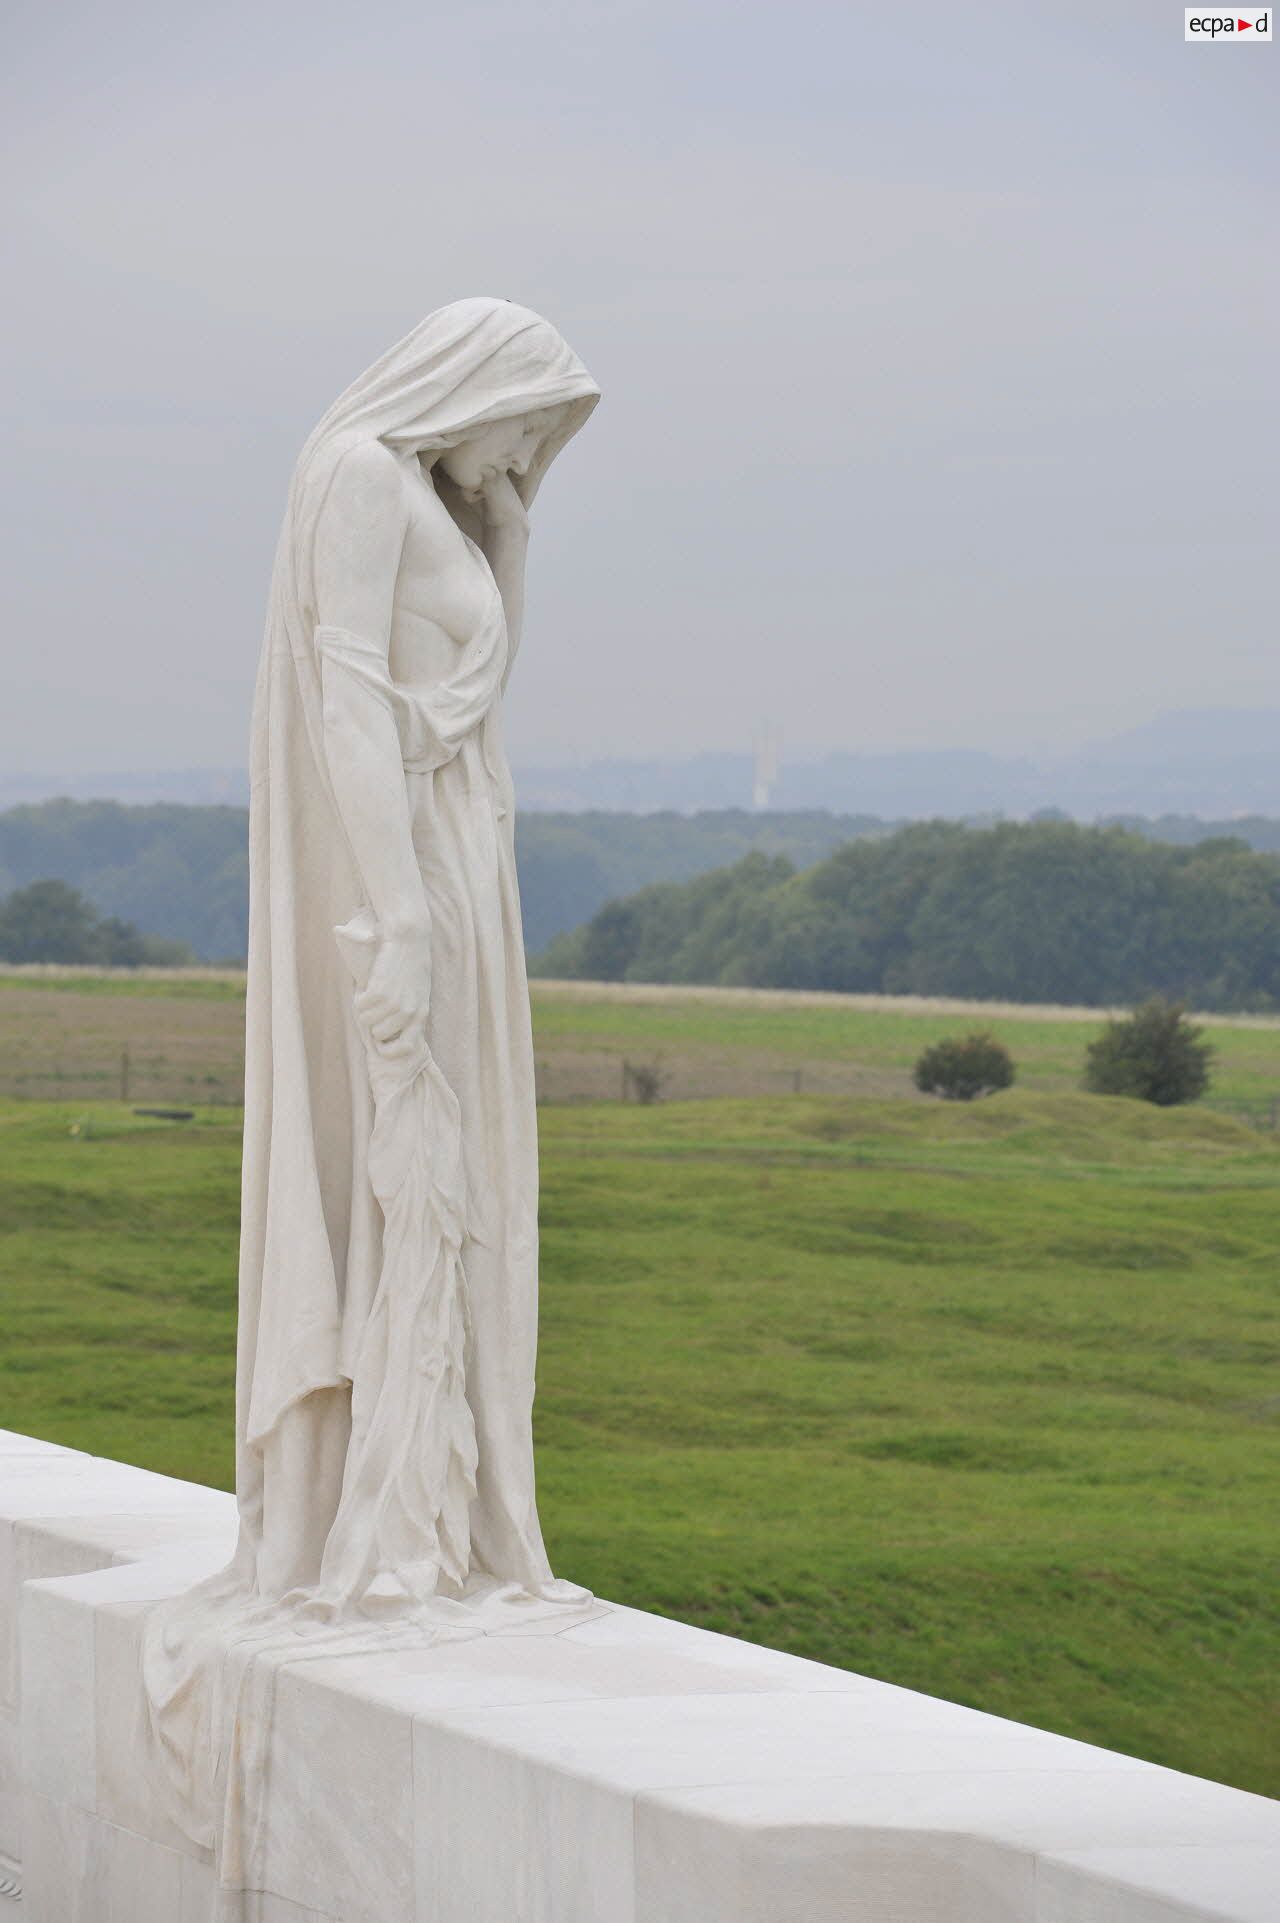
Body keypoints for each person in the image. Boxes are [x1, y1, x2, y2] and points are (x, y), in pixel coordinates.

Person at [142, 299, 601, 1885]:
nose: (536, 454)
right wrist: (392, 913)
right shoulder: (351, 471)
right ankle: (381, 1517)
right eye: (533, 422)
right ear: (475, 383)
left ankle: (454, 1508)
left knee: (465, 1182)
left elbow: (467, 683)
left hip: (458, 848)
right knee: (414, 1172)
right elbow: (353, 693)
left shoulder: (434, 497)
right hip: (400, 866)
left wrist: (510, 530)